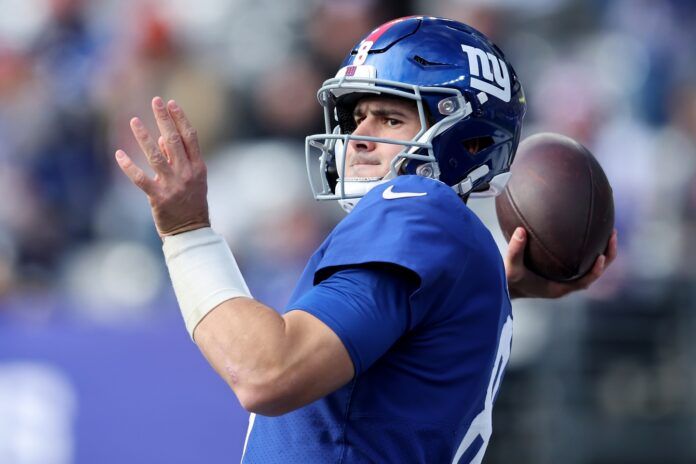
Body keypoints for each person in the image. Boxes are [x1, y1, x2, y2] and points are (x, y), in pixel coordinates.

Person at [115, 16, 617, 464]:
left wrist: (186, 233)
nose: (360, 136)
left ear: (469, 139)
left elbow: (265, 371)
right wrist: (493, 286)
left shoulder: (418, 205)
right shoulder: (455, 249)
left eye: (392, 118)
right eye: (359, 117)